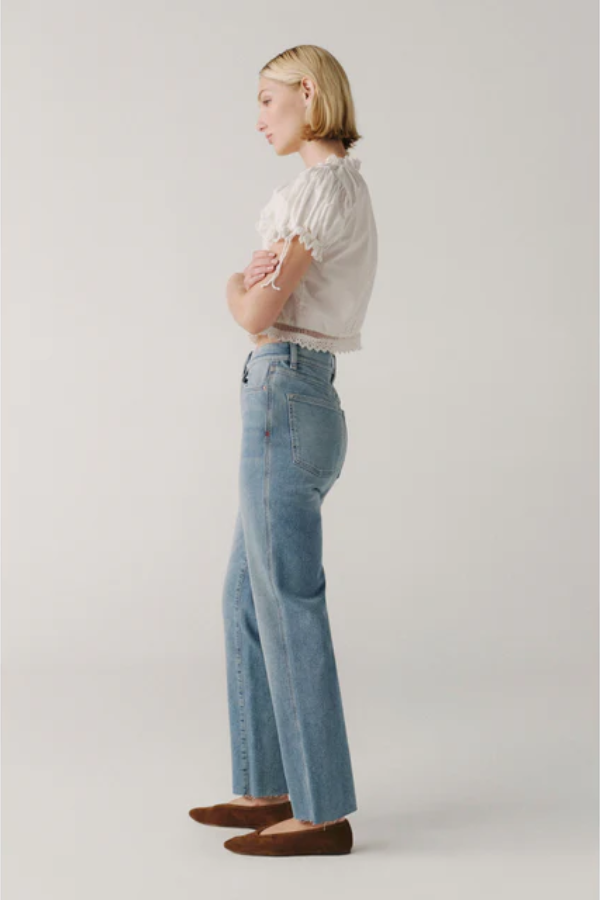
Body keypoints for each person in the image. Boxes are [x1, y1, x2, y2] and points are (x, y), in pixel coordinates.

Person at [189, 44, 378, 857]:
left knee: (287, 601)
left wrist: (235, 285)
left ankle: (322, 811)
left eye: (267, 100)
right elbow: (264, 299)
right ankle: (268, 787)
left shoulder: (323, 188)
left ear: (308, 93)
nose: (259, 118)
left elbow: (254, 308)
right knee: (247, 598)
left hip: (287, 391)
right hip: (296, 395)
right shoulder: (326, 190)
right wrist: (252, 288)